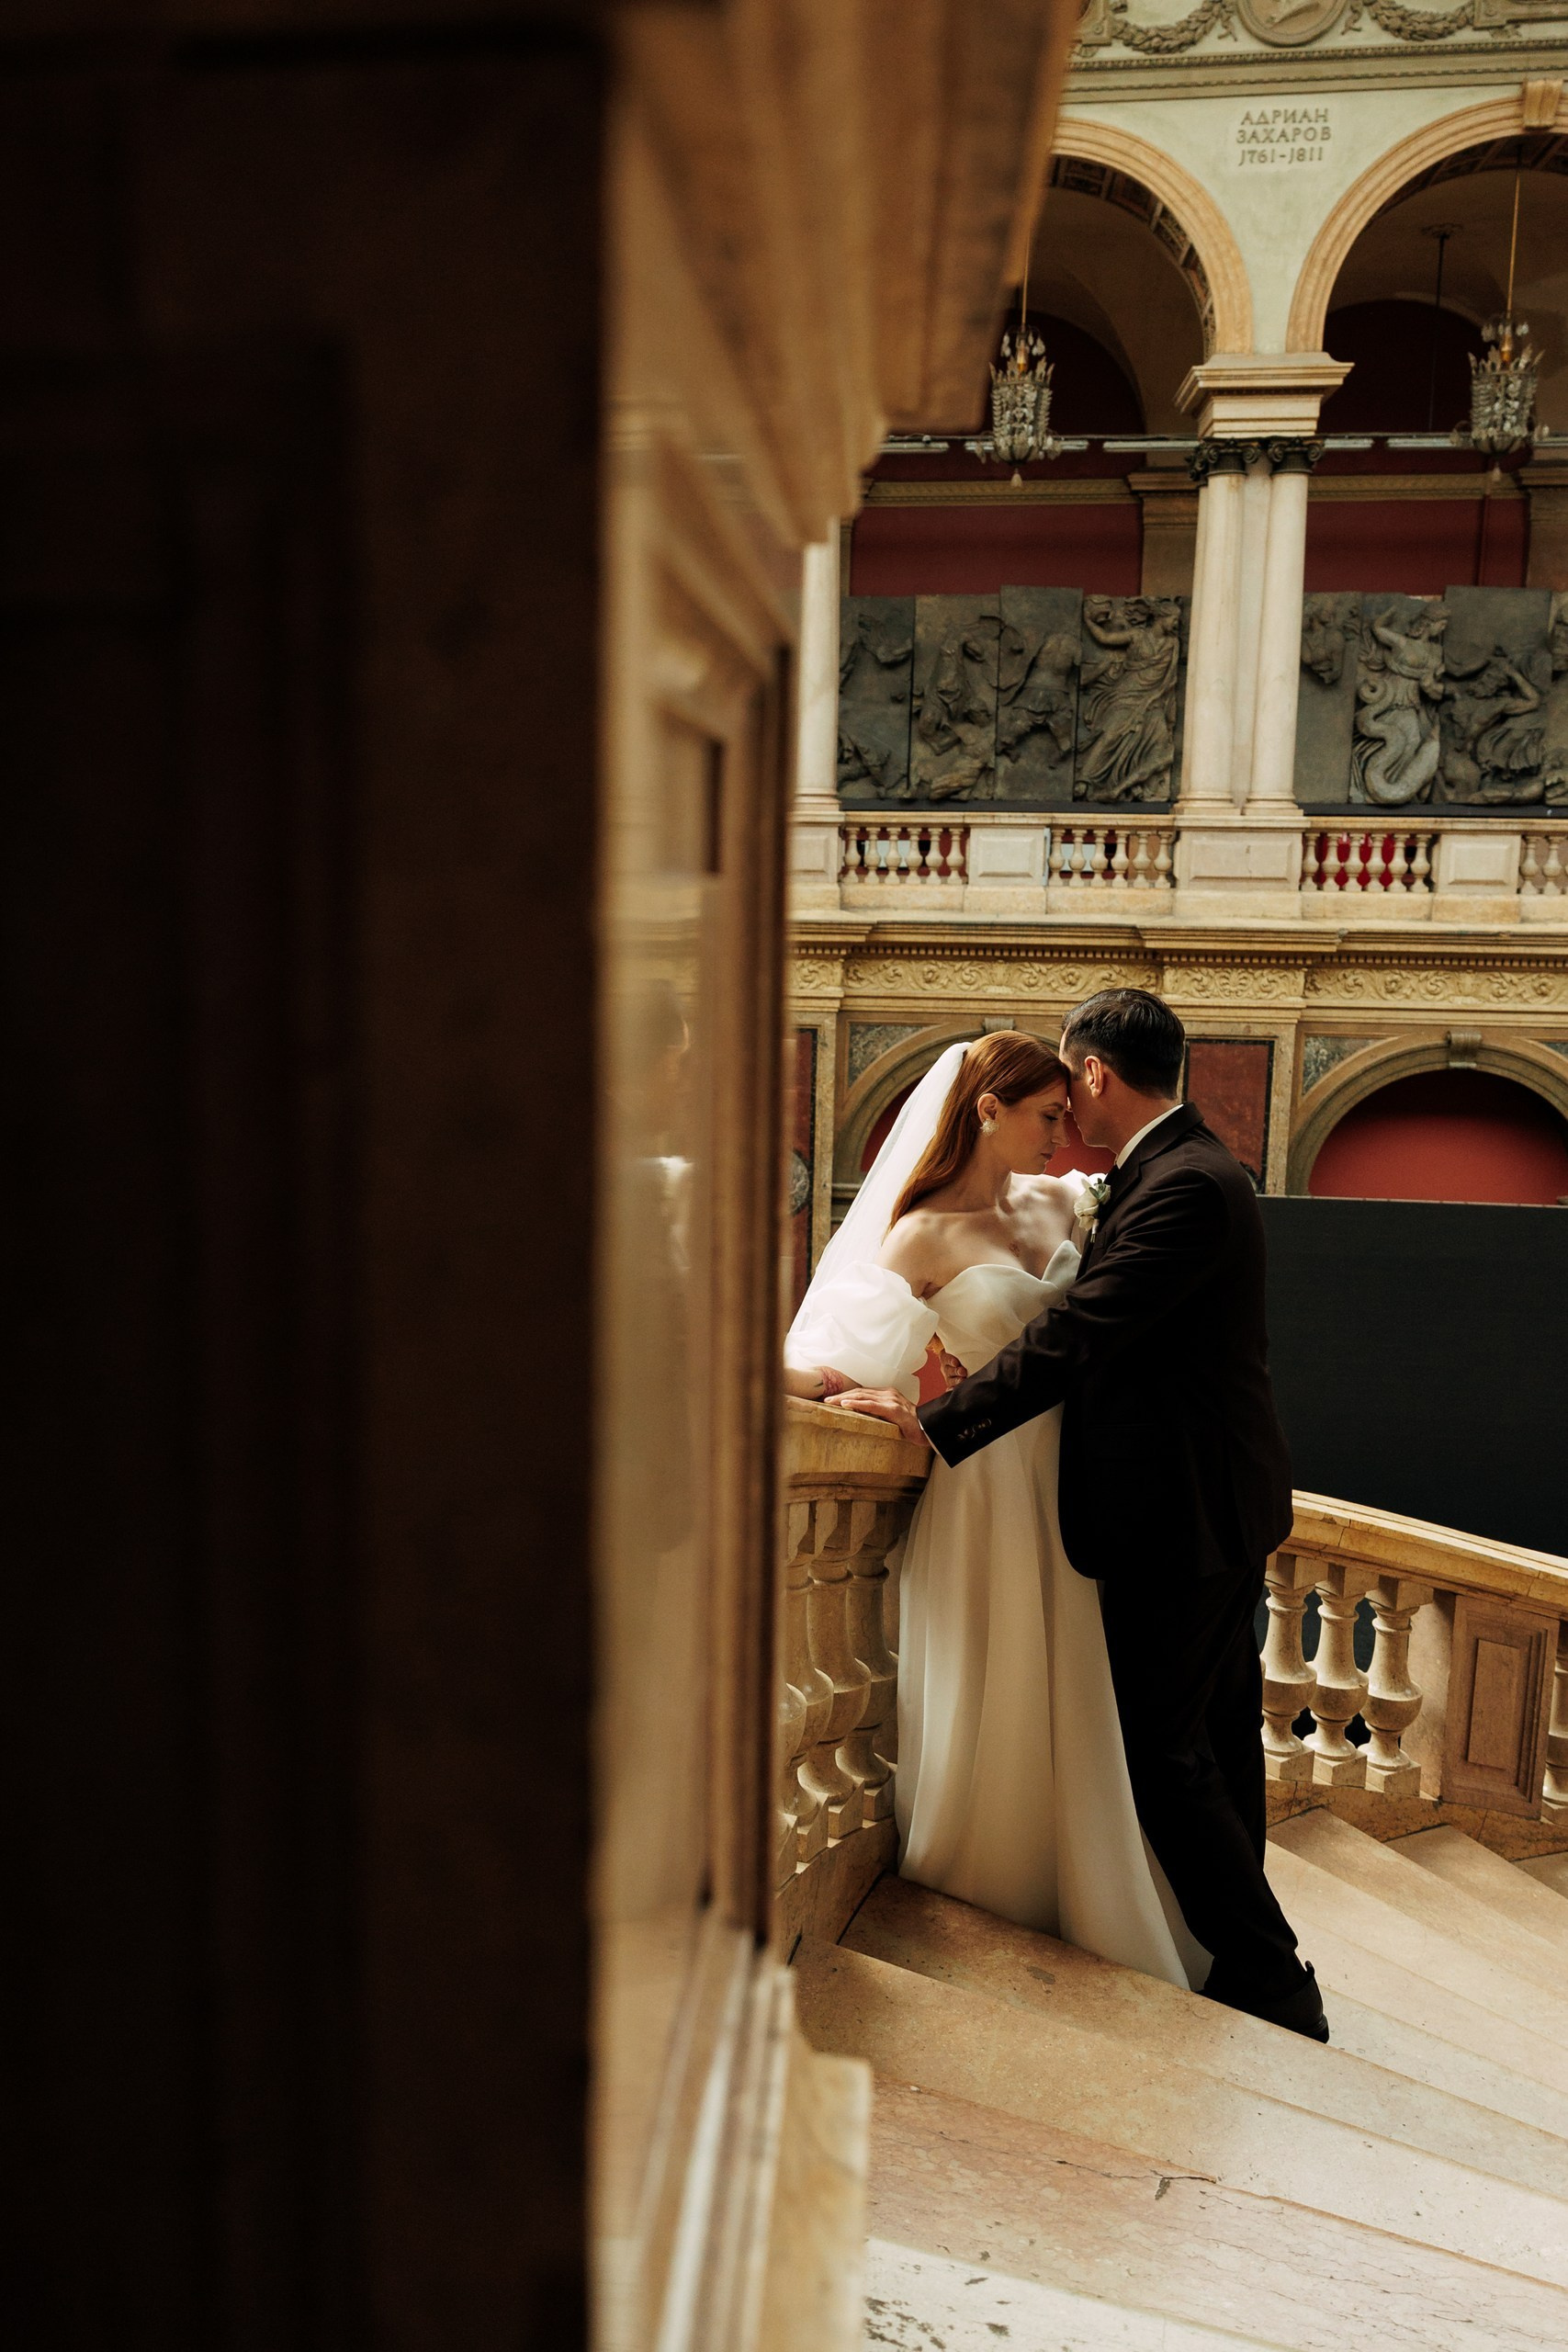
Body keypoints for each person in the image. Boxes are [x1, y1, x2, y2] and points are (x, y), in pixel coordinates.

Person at [831, 989, 1327, 2043]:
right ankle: (1235, 1953)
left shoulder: (1180, 1184)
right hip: (1165, 1503)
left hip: (1181, 1512)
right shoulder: (1163, 1173)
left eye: (1068, 1096)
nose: (1064, 1120)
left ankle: (1270, 1974)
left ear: (1096, 1072)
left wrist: (936, 1421)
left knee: (1168, 1750)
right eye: (1044, 1109)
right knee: (1211, 1738)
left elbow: (1082, 1330)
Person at [786, 1032, 1202, 1986]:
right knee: (999, 1677)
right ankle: (988, 1886)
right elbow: (842, 1360)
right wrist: (787, 1378)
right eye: (1047, 1116)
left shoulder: (1068, 1200)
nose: (1065, 1134)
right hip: (983, 1486)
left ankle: (1093, 1886)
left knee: (1080, 1686)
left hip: (1081, 1476)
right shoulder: (920, 1235)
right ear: (986, 1109)